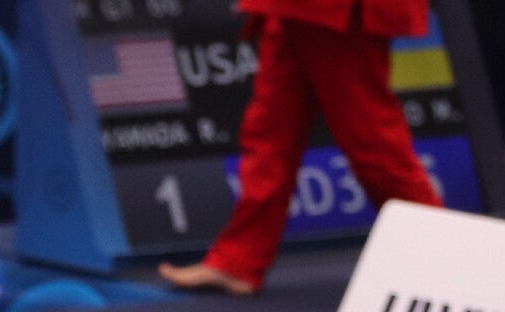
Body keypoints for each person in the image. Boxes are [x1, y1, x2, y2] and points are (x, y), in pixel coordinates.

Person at [159, 0, 442, 296]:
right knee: (270, 130)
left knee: (373, 141)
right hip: (295, 8)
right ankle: (238, 260)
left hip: (338, 9)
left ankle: (446, 258)